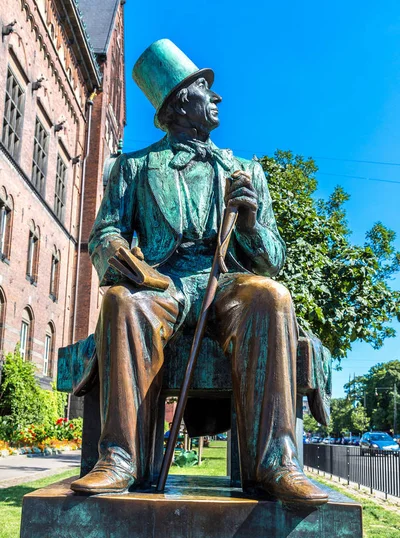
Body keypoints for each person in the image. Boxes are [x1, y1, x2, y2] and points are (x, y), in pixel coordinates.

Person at [71, 39, 328, 505]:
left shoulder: (245, 169)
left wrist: (249, 226)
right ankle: (118, 459)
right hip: (162, 281)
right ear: (178, 100)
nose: (217, 97)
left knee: (271, 295)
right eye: (205, 87)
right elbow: (104, 233)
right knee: (120, 301)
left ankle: (278, 462)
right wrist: (119, 258)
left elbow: (274, 258)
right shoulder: (133, 168)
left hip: (226, 282)